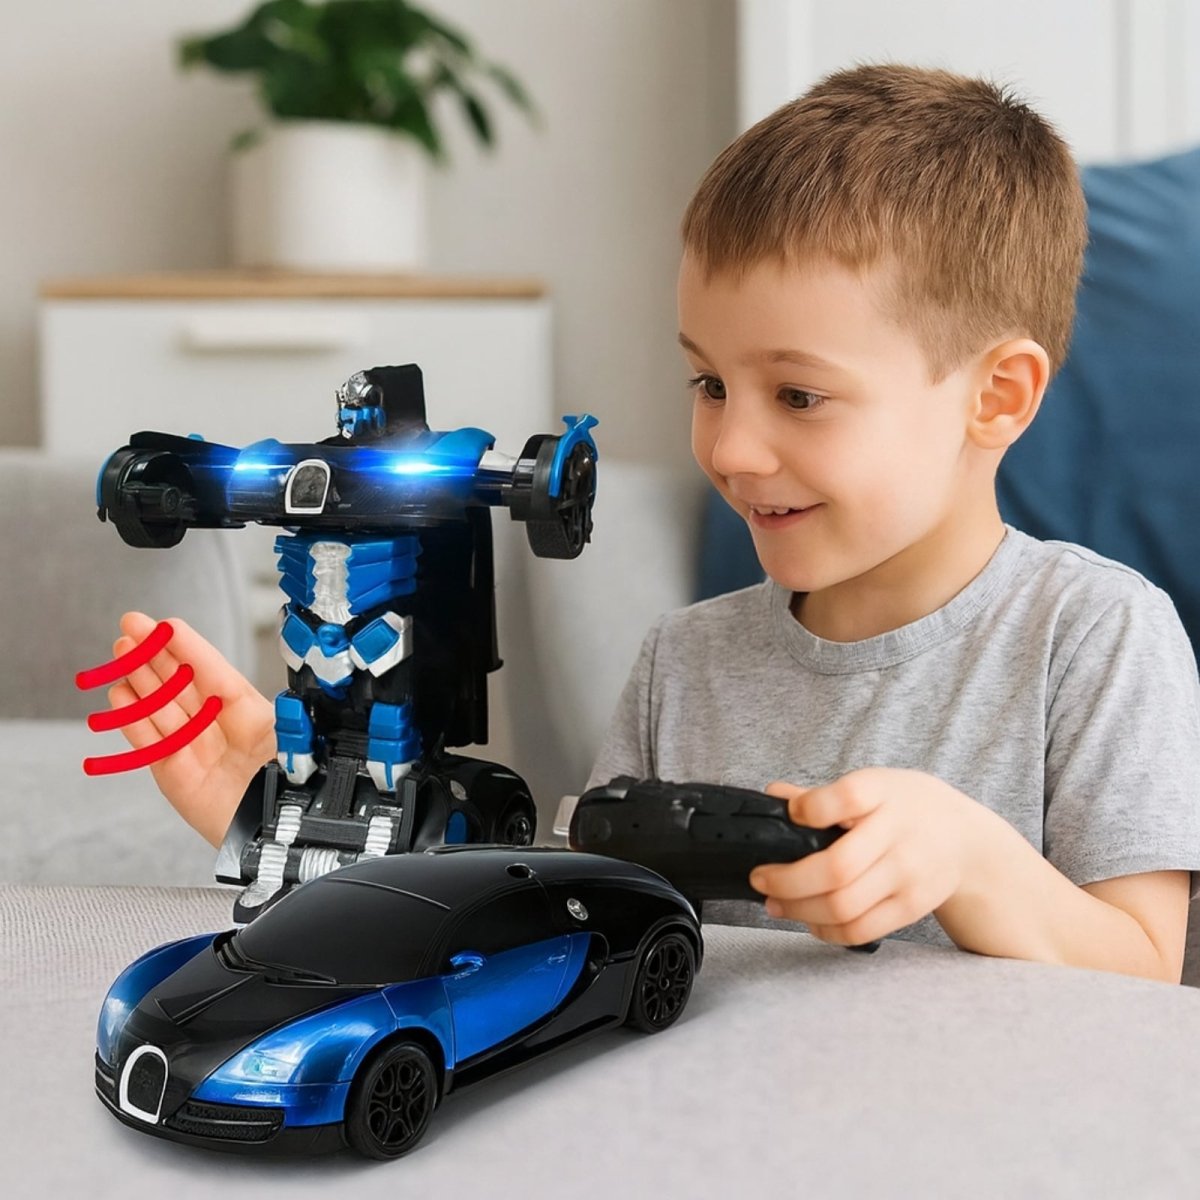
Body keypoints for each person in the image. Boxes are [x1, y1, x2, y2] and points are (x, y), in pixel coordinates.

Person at [107, 63, 1200, 982]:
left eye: (799, 395)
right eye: (708, 383)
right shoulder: (685, 661)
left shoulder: (1096, 637)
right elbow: (576, 938)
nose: (730, 448)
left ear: (996, 397)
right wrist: (310, 834)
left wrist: (971, 860)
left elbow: (1145, 977)